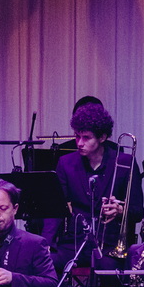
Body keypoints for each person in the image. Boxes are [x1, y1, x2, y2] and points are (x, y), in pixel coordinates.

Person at [55, 102, 134, 259]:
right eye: (77, 136)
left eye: (86, 138)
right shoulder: (65, 163)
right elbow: (55, 209)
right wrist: (48, 244)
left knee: (107, 267)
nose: (79, 143)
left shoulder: (125, 162)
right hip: (74, 242)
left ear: (102, 137)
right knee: (51, 263)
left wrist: (119, 210)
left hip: (109, 243)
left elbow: (138, 211)